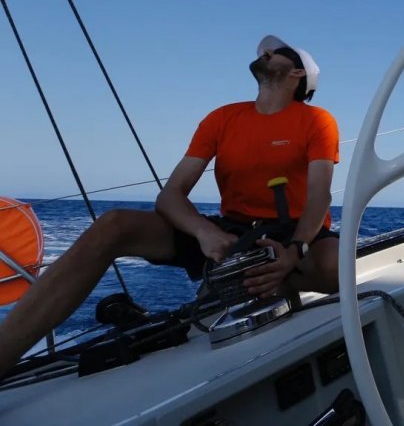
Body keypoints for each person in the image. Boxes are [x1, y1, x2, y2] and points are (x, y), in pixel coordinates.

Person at [0, 35, 340, 375]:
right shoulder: (222, 119)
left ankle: (272, 279)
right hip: (229, 232)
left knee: (334, 266)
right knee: (114, 224)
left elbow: (319, 195)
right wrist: (204, 232)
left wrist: (294, 251)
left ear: (297, 73)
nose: (265, 53)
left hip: (291, 232)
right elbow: (171, 195)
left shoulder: (316, 120)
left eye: (276, 53)